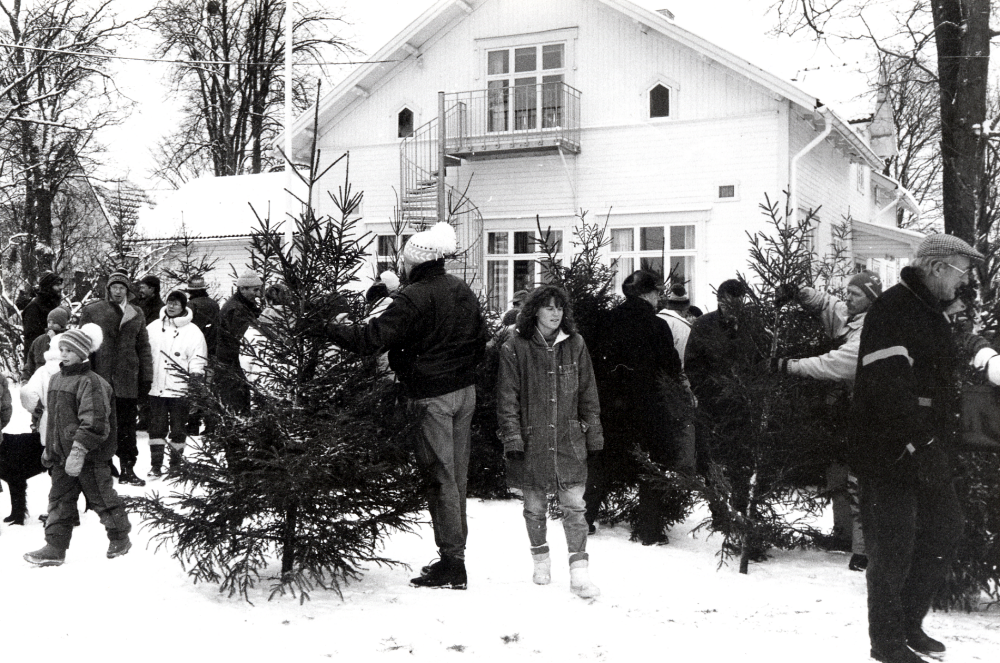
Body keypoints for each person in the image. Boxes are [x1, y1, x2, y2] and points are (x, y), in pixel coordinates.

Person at [325, 222, 487, 590]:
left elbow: (371, 339)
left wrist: (332, 326)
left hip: (431, 395)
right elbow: (482, 338)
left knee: (440, 477)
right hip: (465, 392)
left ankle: (452, 564)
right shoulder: (461, 290)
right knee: (456, 476)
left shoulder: (413, 296)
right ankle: (454, 556)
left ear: (413, 262)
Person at [850, 234, 981, 663]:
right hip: (890, 448)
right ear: (938, 267)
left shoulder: (930, 312)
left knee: (945, 526)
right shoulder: (894, 309)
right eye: (962, 271)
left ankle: (908, 623)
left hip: (925, 446)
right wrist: (918, 441)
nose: (965, 281)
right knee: (892, 546)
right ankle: (886, 644)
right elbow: (887, 385)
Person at [497, 285, 603, 598]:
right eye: (548, 307)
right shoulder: (515, 346)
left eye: (560, 307)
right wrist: (513, 437)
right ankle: (540, 559)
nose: (555, 313)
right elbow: (507, 397)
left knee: (574, 506)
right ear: (535, 311)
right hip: (533, 440)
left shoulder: (576, 344)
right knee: (534, 507)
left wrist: (593, 434)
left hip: (569, 441)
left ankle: (579, 572)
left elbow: (588, 393)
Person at [775, 271, 882, 571]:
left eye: (856, 294)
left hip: (869, 410)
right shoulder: (848, 314)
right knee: (838, 469)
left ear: (871, 300)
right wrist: (797, 291)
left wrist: (788, 366)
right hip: (842, 409)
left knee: (860, 477)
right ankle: (843, 534)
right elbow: (824, 303)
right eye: (848, 292)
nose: (848, 297)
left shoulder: (871, 331)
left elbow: (833, 365)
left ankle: (863, 550)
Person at [587, 270, 687, 544]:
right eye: (657, 292)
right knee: (650, 465)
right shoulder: (657, 326)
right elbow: (671, 367)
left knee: (602, 461)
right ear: (648, 293)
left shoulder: (605, 321)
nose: (659, 298)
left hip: (610, 405)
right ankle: (649, 530)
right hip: (647, 408)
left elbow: (592, 362)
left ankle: (584, 519)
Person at [23, 324, 132, 566]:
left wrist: (79, 450)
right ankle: (55, 546)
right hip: (62, 456)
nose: (63, 354)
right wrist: (50, 448)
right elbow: (53, 419)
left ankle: (119, 536)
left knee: (101, 499)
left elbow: (94, 421)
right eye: (61, 349)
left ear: (83, 353)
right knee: (59, 501)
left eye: (69, 350)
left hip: (89, 457)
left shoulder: (92, 382)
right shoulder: (55, 380)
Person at [79, 271, 153, 487]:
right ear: (108, 289)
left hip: (128, 378)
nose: (118, 291)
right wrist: (84, 375)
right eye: (114, 287)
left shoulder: (136, 312)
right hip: (100, 377)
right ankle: (104, 464)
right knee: (102, 424)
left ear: (127, 290)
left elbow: (144, 347)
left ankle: (128, 467)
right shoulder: (93, 311)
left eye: (122, 287)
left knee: (127, 425)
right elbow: (84, 346)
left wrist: (146, 376)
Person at [146, 290, 207, 478]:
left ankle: (175, 465)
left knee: (178, 429)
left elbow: (198, 358)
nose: (172, 306)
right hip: (156, 388)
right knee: (156, 428)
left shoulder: (193, 331)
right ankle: (156, 465)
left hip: (180, 389)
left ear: (183, 307)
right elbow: (145, 353)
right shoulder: (154, 327)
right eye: (169, 302)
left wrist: (195, 381)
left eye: (176, 303)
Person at [217, 270, 263, 414]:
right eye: (255, 290)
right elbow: (244, 337)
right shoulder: (235, 309)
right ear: (243, 289)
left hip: (234, 364)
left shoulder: (244, 306)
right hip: (232, 365)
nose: (258, 294)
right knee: (236, 407)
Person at [21, 271, 63, 362]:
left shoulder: (53, 306)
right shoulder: (34, 308)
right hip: (40, 361)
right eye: (57, 285)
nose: (61, 288)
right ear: (47, 287)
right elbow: (32, 342)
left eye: (60, 284)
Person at [20, 306, 70, 383]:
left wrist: (54, 339)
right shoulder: (39, 340)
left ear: (62, 324)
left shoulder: (68, 339)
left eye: (54, 323)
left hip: (60, 383)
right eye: (49, 322)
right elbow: (30, 363)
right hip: (39, 383)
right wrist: (25, 378)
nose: (50, 325)